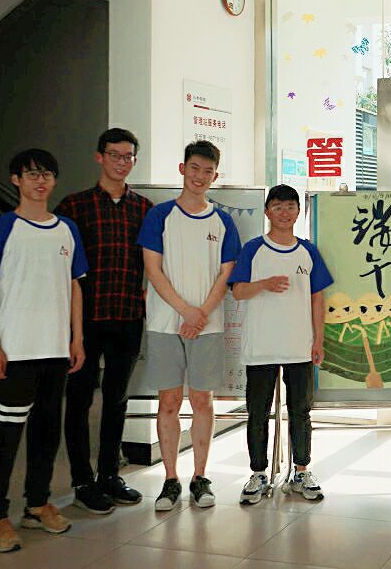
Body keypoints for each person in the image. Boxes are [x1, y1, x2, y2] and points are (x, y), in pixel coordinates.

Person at [0, 149, 87, 552]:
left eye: (47, 174)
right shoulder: (0, 229)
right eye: (32, 174)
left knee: (46, 432)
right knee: (3, 437)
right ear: (16, 179)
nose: (41, 181)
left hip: (55, 350)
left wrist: (76, 339)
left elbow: (74, 286)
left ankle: (37, 505)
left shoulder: (67, 229)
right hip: (15, 350)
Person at [138, 140, 240, 511]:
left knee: (201, 400)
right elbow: (153, 270)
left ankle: (200, 477)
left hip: (207, 326)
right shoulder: (159, 216)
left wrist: (201, 313)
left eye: (207, 171)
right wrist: (185, 311)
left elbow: (226, 274)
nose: (200, 176)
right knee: (168, 401)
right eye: (194, 168)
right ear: (183, 169)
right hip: (165, 323)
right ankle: (170, 479)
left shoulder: (222, 221)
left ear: (215, 176)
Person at [55, 128, 153, 514]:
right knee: (79, 400)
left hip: (128, 316)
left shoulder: (144, 208)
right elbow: (61, 266)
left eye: (128, 156)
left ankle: (110, 474)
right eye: (115, 155)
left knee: (117, 400)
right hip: (85, 320)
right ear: (99, 157)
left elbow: (153, 263)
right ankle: (82, 480)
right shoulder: (74, 206)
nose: (121, 162)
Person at [230, 185, 333, 504]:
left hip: (299, 346)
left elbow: (318, 298)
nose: (284, 213)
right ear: (267, 212)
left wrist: (318, 339)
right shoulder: (253, 249)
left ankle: (301, 471)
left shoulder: (308, 251)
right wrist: (263, 284)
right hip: (260, 346)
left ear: (298, 212)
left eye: (290, 206)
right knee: (257, 413)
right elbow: (237, 291)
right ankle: (258, 474)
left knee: (301, 411)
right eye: (277, 207)